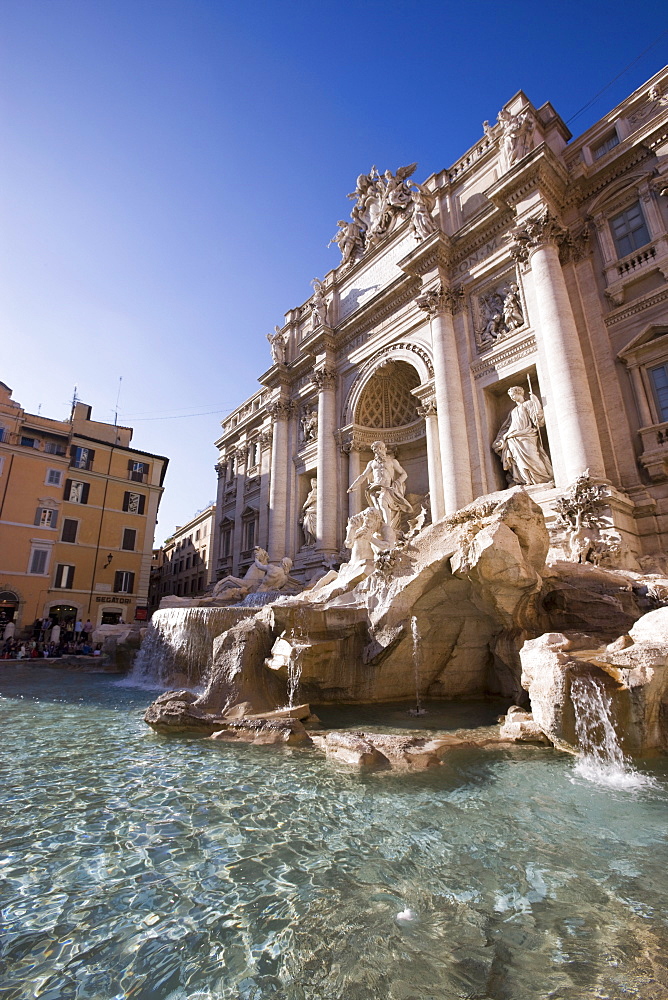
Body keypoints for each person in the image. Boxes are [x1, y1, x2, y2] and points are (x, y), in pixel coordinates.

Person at [347, 440, 413, 546]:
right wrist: (353, 486)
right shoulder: (372, 463)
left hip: (388, 488)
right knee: (378, 509)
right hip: (374, 489)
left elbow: (404, 474)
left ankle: (387, 528)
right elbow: (363, 476)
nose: (378, 451)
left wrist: (396, 483)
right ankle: (382, 529)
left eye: (380, 448)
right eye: (375, 449)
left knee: (383, 502)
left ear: (385, 449)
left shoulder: (392, 461)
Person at [493, 386, 553, 486]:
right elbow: (507, 426)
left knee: (533, 457)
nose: (512, 397)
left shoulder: (528, 404)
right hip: (512, 438)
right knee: (518, 461)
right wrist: (502, 438)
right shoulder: (513, 411)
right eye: (510, 396)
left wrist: (536, 402)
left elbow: (538, 420)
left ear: (519, 393)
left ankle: (542, 479)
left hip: (527, 435)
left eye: (513, 395)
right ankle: (525, 481)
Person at [301, 478, 317, 547]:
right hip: (309, 511)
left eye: (314, 482)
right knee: (306, 525)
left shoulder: (317, 491)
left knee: (311, 525)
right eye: (311, 483)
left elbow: (309, 501)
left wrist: (304, 507)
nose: (312, 484)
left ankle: (315, 541)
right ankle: (309, 542)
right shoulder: (310, 493)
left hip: (314, 509)